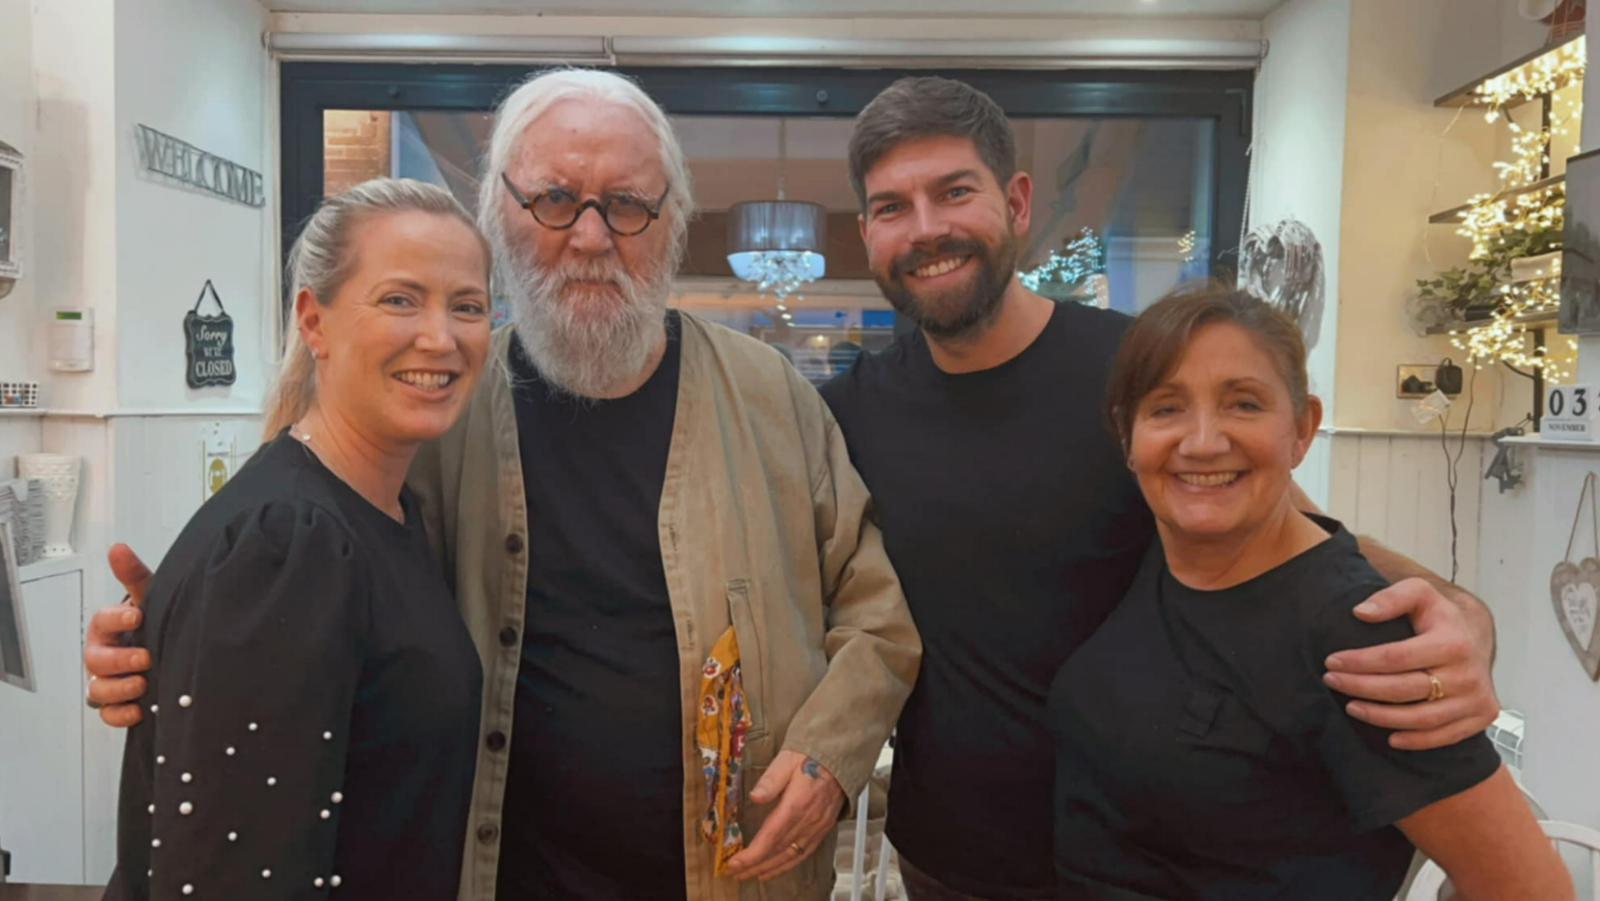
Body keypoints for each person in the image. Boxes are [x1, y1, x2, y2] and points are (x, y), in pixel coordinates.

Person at [85, 69, 921, 901]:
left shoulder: (770, 395)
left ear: (671, 224)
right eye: (555, 198)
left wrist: (829, 755)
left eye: (627, 205)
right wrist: (177, 640)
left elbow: (876, 615)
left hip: (731, 878)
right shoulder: (437, 414)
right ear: (502, 216)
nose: (591, 237)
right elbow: (307, 577)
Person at [819, 76, 1504, 900]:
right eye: (893, 207)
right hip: (945, 862)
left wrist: (1460, 612)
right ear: (867, 232)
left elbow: (1299, 537)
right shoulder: (847, 415)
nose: (927, 229)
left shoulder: (1143, 373)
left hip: (1160, 861)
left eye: (954, 192)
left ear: (1017, 201)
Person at [1049, 287, 1569, 900]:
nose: (1204, 441)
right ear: (1127, 436)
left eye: (1243, 404)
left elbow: (1528, 888)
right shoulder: (1167, 551)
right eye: (1166, 409)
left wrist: (1468, 615)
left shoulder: (1357, 632)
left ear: (1302, 429)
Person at [102, 179, 494, 900]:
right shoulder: (290, 541)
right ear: (314, 320)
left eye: (466, 306)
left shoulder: (389, 513)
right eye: (400, 299)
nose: (440, 337)